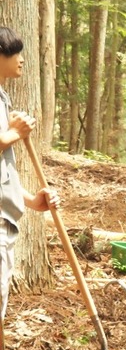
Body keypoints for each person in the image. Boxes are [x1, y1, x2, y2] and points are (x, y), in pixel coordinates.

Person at [0, 27, 60, 318]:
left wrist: (32, 201)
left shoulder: (3, 99)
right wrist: (11, 134)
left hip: (6, 217)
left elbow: (3, 171)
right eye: (15, 52)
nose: (21, 60)